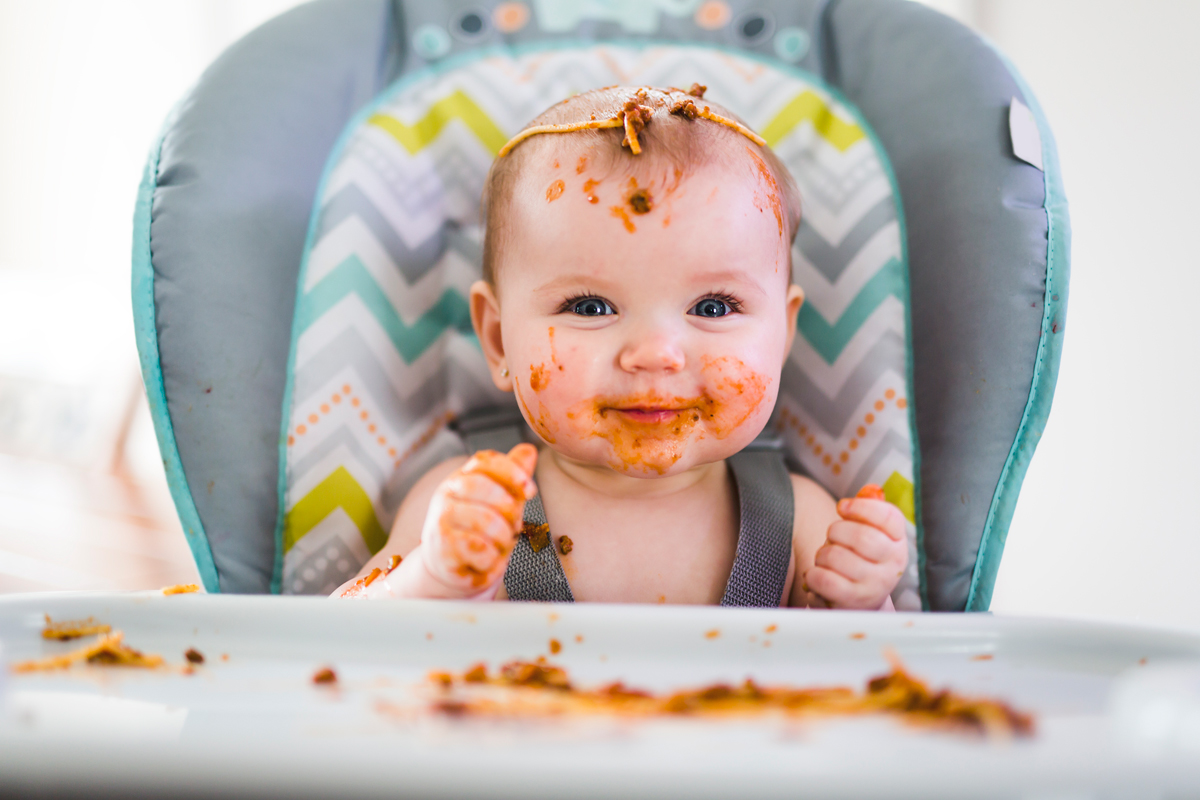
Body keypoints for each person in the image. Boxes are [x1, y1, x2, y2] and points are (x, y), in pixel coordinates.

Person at [333, 85, 907, 608]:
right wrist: (433, 581)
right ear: (496, 338)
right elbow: (336, 642)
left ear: (782, 333)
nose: (656, 353)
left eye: (712, 307)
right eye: (589, 308)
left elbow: (877, 686)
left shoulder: (801, 519)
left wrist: (860, 602)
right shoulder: (469, 507)